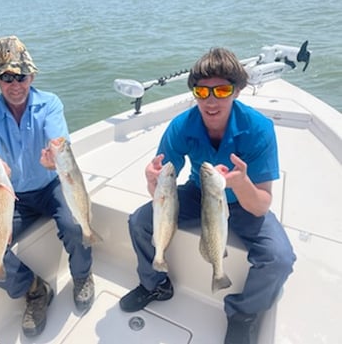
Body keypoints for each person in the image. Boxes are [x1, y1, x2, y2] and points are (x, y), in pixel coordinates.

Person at [118, 47, 296, 344]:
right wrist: (153, 182)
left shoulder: (258, 129)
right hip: (199, 193)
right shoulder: (182, 126)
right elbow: (162, 186)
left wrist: (239, 184)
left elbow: (261, 204)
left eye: (222, 90)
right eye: (202, 92)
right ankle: (155, 284)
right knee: (140, 221)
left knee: (279, 258)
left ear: (237, 91)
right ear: (195, 93)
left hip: (242, 201)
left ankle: (243, 314)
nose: (211, 101)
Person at [0, 35, 95, 338]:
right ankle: (34, 290)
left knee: (76, 224)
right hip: (11, 195)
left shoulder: (50, 103)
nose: (15, 84)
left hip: (51, 186)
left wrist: (55, 155)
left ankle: (83, 276)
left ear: (31, 75)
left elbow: (58, 140)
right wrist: (2, 172)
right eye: (6, 77)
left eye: (20, 76)